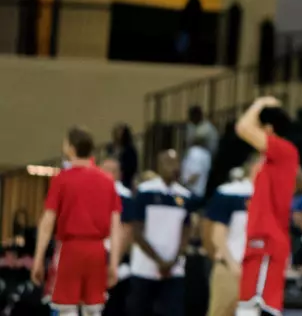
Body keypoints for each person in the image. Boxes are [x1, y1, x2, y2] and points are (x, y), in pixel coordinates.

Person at [33, 127, 122, 314]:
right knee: (94, 310)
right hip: (97, 251)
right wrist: (113, 263)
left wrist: (38, 258)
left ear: (71, 149)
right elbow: (116, 226)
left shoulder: (62, 179)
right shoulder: (107, 181)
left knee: (65, 309)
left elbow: (48, 221)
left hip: (70, 250)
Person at [233, 96, 297, 316]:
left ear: (268, 129)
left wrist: (259, 103)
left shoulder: (285, 150)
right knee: (248, 308)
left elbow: (242, 127)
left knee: (253, 310)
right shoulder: (268, 161)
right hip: (260, 241)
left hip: (267, 242)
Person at [123, 149, 190, 316]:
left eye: (176, 163)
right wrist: (159, 261)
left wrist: (173, 261)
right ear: (159, 166)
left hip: (174, 270)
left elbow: (186, 231)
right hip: (144, 268)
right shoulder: (145, 191)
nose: (173, 167)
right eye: (168, 163)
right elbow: (137, 232)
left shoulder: (185, 195)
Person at [203, 162, 255, 316]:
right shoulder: (230, 192)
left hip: (256, 271)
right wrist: (231, 264)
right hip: (231, 266)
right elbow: (215, 233)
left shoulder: (271, 194)